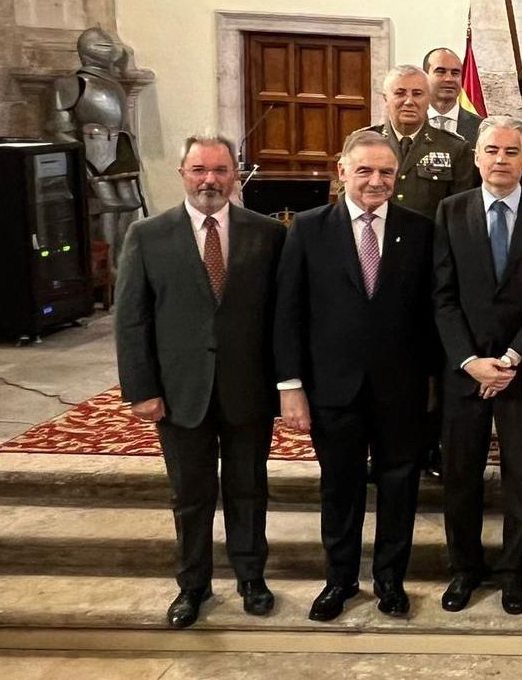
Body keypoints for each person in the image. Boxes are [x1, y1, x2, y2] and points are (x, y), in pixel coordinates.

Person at [114, 134, 286, 628]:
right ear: (183, 173)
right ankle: (193, 586)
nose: (209, 180)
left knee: (248, 489)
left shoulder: (267, 233)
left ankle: (252, 577)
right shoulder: (147, 235)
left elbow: (280, 316)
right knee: (189, 495)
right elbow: (132, 320)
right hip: (178, 392)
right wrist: (141, 389)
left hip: (247, 389)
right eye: (199, 170)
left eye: (219, 169)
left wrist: (283, 385)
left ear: (235, 173)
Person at [273, 131, 438, 621]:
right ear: (342, 172)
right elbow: (289, 313)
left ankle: (390, 580)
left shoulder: (420, 229)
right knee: (339, 487)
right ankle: (339, 580)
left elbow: (430, 314)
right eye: (364, 170)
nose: (375, 180)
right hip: (332, 387)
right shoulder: (307, 228)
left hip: (400, 388)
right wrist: (290, 386)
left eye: (386, 172)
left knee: (399, 487)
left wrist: (432, 385)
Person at [433, 116, 522, 615]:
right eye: (491, 150)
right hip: (465, 370)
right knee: (461, 475)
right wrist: (472, 360)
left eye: (511, 152)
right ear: (476, 157)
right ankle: (464, 569)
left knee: (520, 476)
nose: (500, 160)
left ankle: (515, 573)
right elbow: (442, 297)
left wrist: (513, 357)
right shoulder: (450, 212)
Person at [359, 64, 478, 221]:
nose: (409, 101)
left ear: (429, 99)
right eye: (400, 93)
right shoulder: (362, 144)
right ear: (386, 99)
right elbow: (349, 200)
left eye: (417, 94)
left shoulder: (455, 148)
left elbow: (460, 212)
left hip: (428, 242)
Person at [424, 47, 482, 147]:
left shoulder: (481, 128)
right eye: (441, 72)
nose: (449, 79)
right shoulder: (410, 124)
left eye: (455, 73)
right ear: (424, 77)